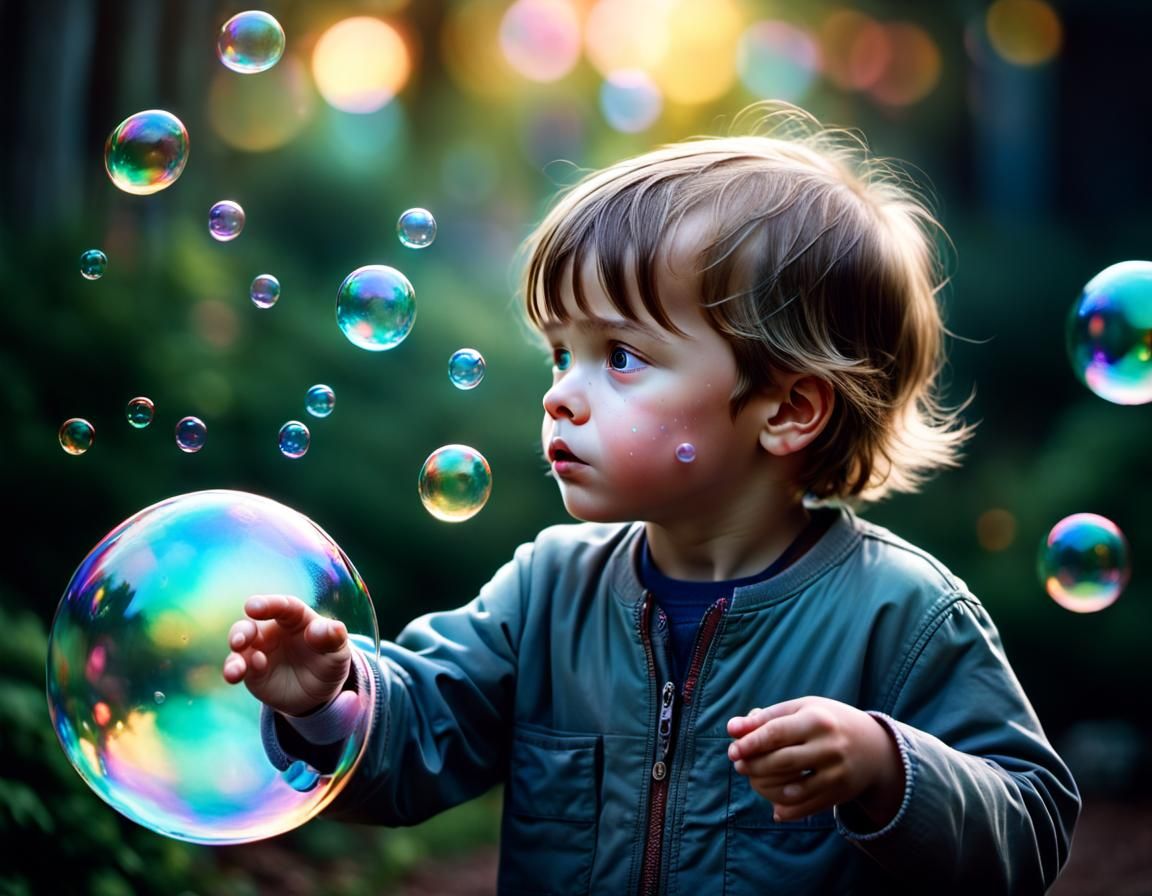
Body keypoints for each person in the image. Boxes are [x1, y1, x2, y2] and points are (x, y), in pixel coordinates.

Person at [222, 103, 1080, 894]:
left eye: (620, 356)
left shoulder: (904, 617)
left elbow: (1031, 828)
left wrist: (891, 768)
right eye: (561, 354)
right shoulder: (547, 593)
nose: (561, 394)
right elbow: (418, 736)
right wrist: (327, 700)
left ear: (787, 408)